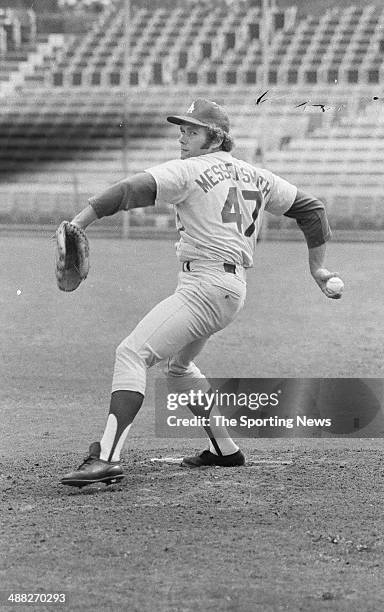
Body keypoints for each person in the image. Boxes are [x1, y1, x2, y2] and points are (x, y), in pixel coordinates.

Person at [60, 98, 340, 488]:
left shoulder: (190, 171)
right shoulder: (257, 175)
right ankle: (225, 451)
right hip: (231, 288)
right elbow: (312, 209)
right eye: (182, 129)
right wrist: (318, 268)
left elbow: (129, 189)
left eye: (192, 130)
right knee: (178, 369)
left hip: (205, 287)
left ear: (216, 137)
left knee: (131, 353)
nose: (182, 136)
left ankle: (106, 458)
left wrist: (80, 222)